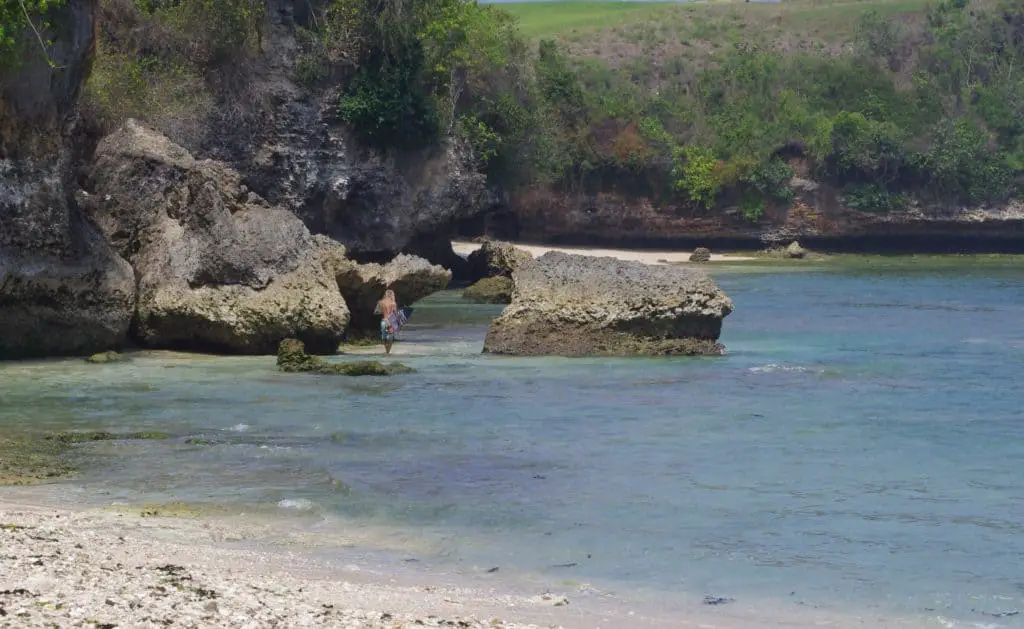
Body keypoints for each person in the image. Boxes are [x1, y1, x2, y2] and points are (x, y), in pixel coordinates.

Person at [377, 288, 399, 355]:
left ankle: (386, 349)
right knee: (390, 337)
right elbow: (395, 314)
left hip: (384, 321)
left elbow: (377, 312)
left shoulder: (380, 302)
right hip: (391, 322)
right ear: (391, 295)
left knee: (384, 336)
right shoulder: (393, 303)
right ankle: (388, 352)